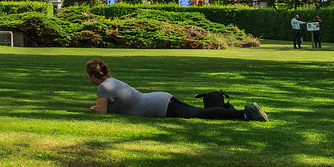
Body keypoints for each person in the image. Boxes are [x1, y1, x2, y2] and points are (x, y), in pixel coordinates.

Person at [84, 59, 268, 121]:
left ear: (93, 76)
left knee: (200, 115)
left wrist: (95, 111)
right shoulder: (112, 81)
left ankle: (246, 114)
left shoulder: (103, 87)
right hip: (160, 99)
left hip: (159, 106)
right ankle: (234, 111)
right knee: (200, 112)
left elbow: (103, 112)